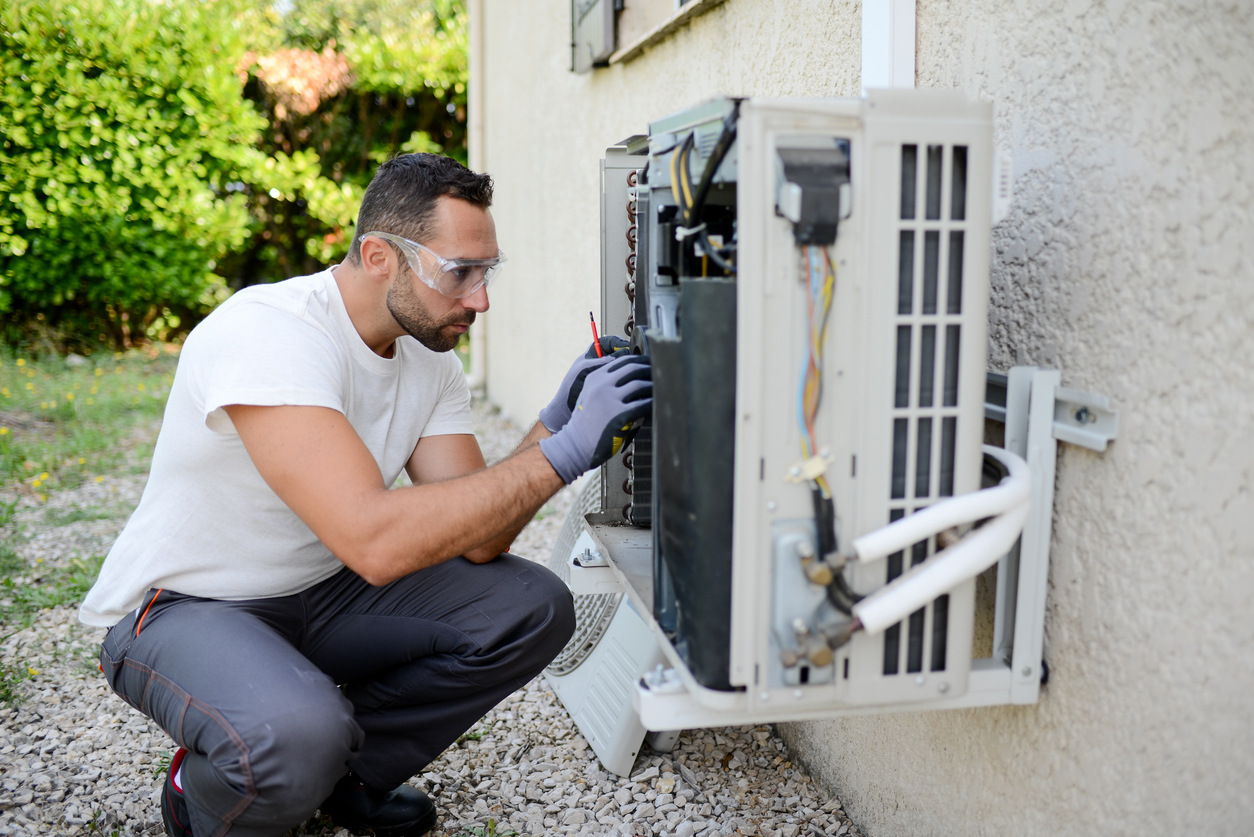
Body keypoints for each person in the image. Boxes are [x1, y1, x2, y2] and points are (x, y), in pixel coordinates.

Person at [78, 153, 652, 837]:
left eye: (487, 272)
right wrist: (562, 455)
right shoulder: (270, 333)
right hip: (187, 608)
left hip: (322, 591)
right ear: (380, 255)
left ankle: (347, 778)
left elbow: (477, 536)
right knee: (293, 736)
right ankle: (198, 798)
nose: (480, 299)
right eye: (459, 272)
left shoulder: (428, 360)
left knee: (530, 606)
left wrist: (552, 422)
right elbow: (375, 541)